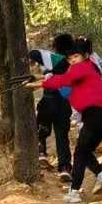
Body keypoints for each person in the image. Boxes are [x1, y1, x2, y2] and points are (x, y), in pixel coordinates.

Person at [29, 36, 102, 204]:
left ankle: (74, 191)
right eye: (70, 58)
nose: (73, 60)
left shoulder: (81, 68)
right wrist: (40, 80)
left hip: (94, 115)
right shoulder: (87, 69)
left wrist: (35, 85)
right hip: (101, 117)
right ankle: (101, 174)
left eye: (76, 56)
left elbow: (62, 80)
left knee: (80, 152)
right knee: (85, 149)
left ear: (85, 55)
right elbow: (62, 81)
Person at [28, 41, 73, 182]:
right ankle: (65, 168)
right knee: (62, 137)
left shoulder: (52, 59)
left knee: (41, 126)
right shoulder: (74, 66)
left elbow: (34, 53)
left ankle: (41, 152)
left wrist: (30, 84)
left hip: (49, 101)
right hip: (65, 105)